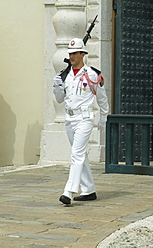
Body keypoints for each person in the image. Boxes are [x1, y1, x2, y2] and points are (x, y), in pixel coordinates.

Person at [53, 37, 109, 205]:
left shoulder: (92, 74)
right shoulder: (66, 75)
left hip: (85, 119)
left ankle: (69, 191)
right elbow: (60, 99)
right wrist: (57, 86)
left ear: (83, 54)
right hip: (70, 119)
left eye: (75, 53)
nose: (72, 56)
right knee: (80, 155)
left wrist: (103, 118)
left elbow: (102, 99)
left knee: (76, 154)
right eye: (70, 53)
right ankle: (89, 189)